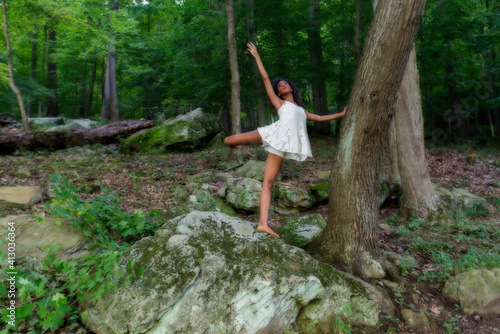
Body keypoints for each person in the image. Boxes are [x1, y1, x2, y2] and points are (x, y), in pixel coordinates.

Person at [224, 42, 346, 238]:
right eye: (279, 85)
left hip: (279, 144)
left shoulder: (301, 110)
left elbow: (321, 118)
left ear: (290, 88)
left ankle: (262, 223)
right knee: (229, 140)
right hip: (271, 133)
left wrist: (341, 113)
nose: (282, 85)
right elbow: (265, 78)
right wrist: (256, 56)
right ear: (278, 93)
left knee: (269, 182)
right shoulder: (279, 102)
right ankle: (236, 145)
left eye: (284, 83)